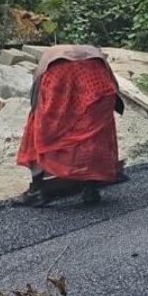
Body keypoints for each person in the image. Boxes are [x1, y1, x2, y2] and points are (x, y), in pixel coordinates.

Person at [15, 44, 125, 206]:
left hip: (59, 78)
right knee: (93, 136)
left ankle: (37, 191)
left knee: (41, 132)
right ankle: (91, 188)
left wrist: (36, 113)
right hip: (95, 81)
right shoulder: (95, 55)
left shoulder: (49, 58)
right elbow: (113, 85)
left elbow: (36, 94)